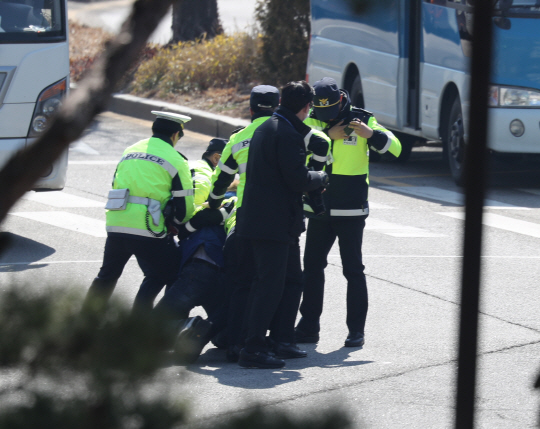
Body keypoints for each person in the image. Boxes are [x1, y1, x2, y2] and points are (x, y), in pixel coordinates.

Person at [295, 77, 402, 348]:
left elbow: (396, 149)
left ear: (341, 101)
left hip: (351, 209)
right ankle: (308, 328)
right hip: (319, 207)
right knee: (312, 269)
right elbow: (295, 149)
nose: (326, 117)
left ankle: (356, 331)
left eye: (330, 111)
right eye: (320, 112)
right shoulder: (313, 122)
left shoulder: (362, 119)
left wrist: (371, 134)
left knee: (353, 270)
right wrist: (327, 137)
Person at [235, 81, 329, 369]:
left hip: (272, 221)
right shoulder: (285, 134)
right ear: (305, 107)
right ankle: (252, 348)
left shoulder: (269, 127)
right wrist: (322, 178)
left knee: (292, 280)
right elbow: (297, 178)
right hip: (271, 223)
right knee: (269, 285)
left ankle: (282, 340)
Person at [82, 111, 196, 314]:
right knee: (172, 272)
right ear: (175, 135)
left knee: (107, 275)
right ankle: (157, 327)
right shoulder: (177, 160)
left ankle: (85, 322)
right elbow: (185, 207)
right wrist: (175, 223)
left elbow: (115, 183)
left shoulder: (130, 151)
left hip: (116, 223)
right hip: (148, 228)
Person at [189, 138, 227, 206]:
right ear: (216, 158)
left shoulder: (196, 166)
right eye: (230, 161)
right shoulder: (203, 179)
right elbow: (194, 213)